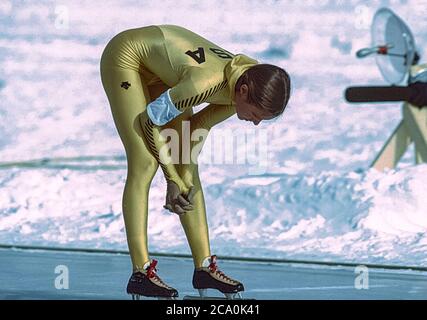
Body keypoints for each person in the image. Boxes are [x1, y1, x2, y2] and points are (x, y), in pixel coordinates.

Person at [100, 24, 291, 299]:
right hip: (127, 57)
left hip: (164, 72)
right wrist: (171, 179)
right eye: (257, 114)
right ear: (245, 92)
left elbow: (198, 125)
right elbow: (149, 121)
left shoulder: (240, 85)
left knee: (187, 169)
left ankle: (204, 268)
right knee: (144, 162)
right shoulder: (206, 84)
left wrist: (183, 176)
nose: (257, 122)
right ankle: (140, 273)